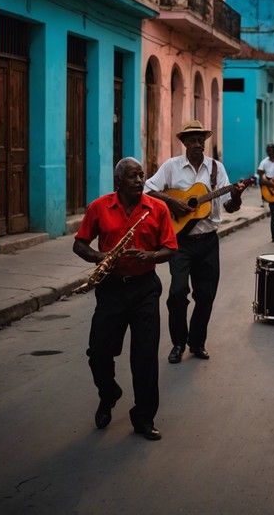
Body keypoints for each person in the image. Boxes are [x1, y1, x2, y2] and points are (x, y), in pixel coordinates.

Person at [74, 157, 177, 440]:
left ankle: (143, 418)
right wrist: (100, 257)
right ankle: (109, 394)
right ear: (118, 181)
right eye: (133, 176)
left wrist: (151, 256)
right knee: (98, 353)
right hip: (111, 288)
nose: (140, 180)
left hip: (145, 288)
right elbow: (79, 244)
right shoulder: (99, 207)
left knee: (144, 357)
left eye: (142, 175)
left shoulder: (157, 208)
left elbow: (170, 249)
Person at [145, 120, 242, 364]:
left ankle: (197, 342)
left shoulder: (216, 169)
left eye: (201, 139)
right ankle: (178, 342)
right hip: (179, 242)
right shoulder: (171, 167)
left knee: (206, 295)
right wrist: (172, 202)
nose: (198, 143)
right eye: (193, 139)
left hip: (208, 241)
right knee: (177, 292)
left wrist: (237, 196)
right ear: (184, 142)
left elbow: (230, 206)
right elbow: (148, 190)